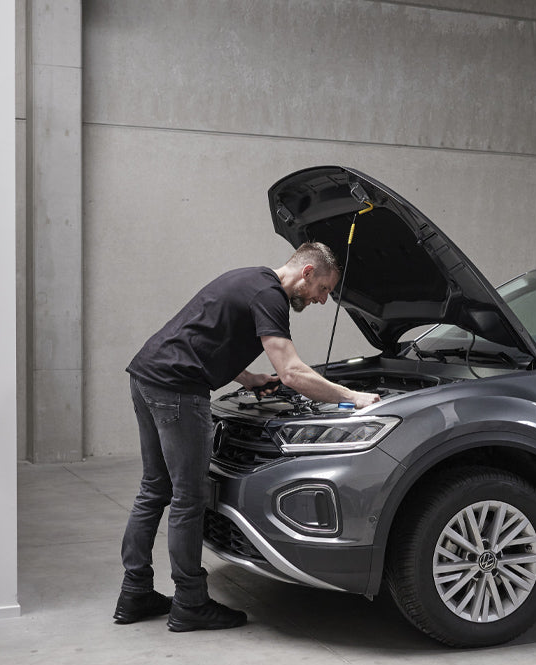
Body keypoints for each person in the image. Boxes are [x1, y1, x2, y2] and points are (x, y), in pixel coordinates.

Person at [115, 241, 381, 632]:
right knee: (188, 498)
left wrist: (250, 378)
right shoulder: (271, 297)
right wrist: (351, 396)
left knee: (154, 488)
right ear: (307, 273)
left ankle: (134, 593)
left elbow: (204, 334)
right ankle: (190, 602)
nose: (324, 300)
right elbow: (292, 373)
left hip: (147, 376)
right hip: (177, 389)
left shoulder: (248, 280)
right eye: (324, 289)